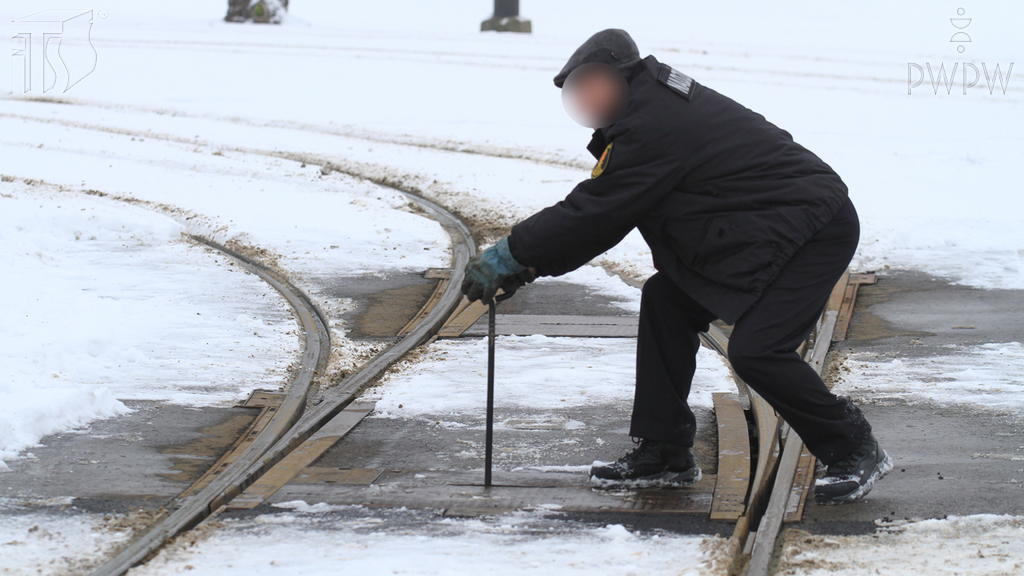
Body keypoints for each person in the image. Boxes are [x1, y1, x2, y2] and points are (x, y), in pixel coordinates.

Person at [460, 29, 892, 505]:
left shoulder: (655, 122)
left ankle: (854, 447)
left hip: (812, 228)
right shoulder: (648, 109)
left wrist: (515, 254)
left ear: (624, 76)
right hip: (757, 231)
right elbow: (606, 219)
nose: (586, 98)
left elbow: (595, 211)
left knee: (757, 351)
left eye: (594, 84)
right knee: (666, 299)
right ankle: (665, 450)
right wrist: (527, 265)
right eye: (577, 91)